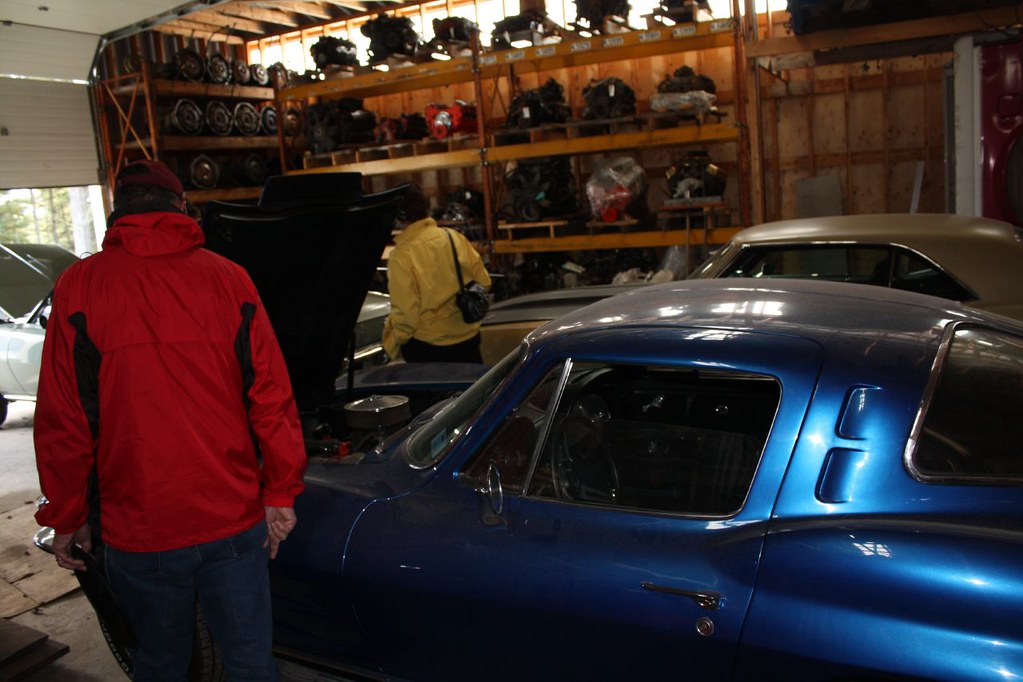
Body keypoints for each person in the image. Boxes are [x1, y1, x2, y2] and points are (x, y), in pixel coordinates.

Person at [33, 159, 307, 682]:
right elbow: (272, 397)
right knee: (250, 662)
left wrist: (68, 518)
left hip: (140, 528)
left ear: (118, 213)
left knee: (159, 663)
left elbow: (64, 420)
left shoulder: (80, 287)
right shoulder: (229, 280)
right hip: (232, 517)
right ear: (181, 208)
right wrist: (280, 491)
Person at [382, 184, 492, 363]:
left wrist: (391, 344)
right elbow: (484, 281)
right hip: (468, 339)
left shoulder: (401, 256)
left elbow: (406, 317)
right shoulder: (452, 237)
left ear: (399, 218)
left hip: (428, 348)